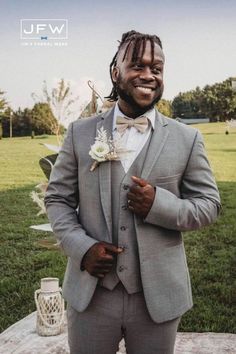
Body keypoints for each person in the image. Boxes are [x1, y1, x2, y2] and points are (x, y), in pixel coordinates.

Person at [45, 30, 221, 354]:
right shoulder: (80, 134)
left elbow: (209, 205)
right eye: (137, 65)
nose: (148, 75)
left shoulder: (187, 139)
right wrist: (83, 249)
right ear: (116, 72)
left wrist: (159, 204)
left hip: (158, 298)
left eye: (157, 68)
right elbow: (57, 199)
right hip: (92, 295)